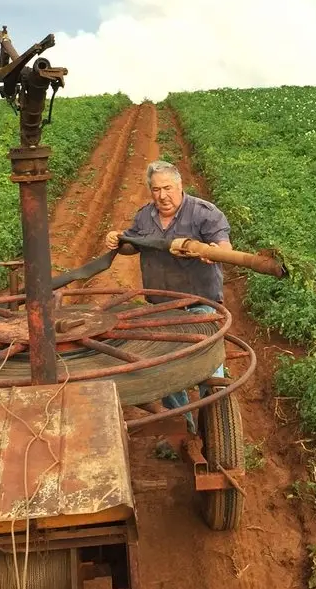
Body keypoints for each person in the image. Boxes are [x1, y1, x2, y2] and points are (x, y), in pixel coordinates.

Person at [105, 159, 232, 431]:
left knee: (207, 367)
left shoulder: (204, 214)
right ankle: (183, 430)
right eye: (155, 189)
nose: (162, 196)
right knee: (166, 373)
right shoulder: (144, 216)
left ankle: (216, 430)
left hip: (200, 305)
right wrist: (119, 242)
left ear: (180, 185)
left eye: (167, 188)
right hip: (162, 309)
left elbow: (223, 244)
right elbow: (132, 247)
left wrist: (213, 252)